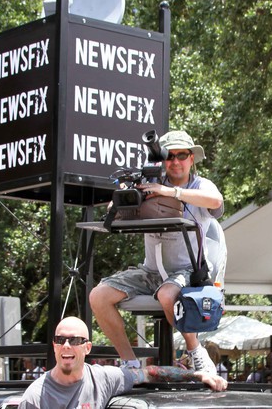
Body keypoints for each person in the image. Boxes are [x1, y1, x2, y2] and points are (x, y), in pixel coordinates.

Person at [89, 130, 225, 374]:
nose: (175, 162)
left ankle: (195, 351)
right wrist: (126, 194)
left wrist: (170, 193)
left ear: (191, 159)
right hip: (150, 272)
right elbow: (114, 209)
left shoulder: (200, 185)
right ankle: (130, 364)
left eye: (181, 155)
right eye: (169, 156)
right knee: (98, 296)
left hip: (187, 273)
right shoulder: (151, 184)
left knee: (166, 295)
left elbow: (215, 201)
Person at [19, 316, 227, 408]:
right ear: (54, 346)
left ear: (87, 348)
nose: (66, 346)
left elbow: (150, 373)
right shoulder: (36, 397)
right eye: (60, 340)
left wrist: (198, 375)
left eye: (74, 340)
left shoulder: (101, 378)